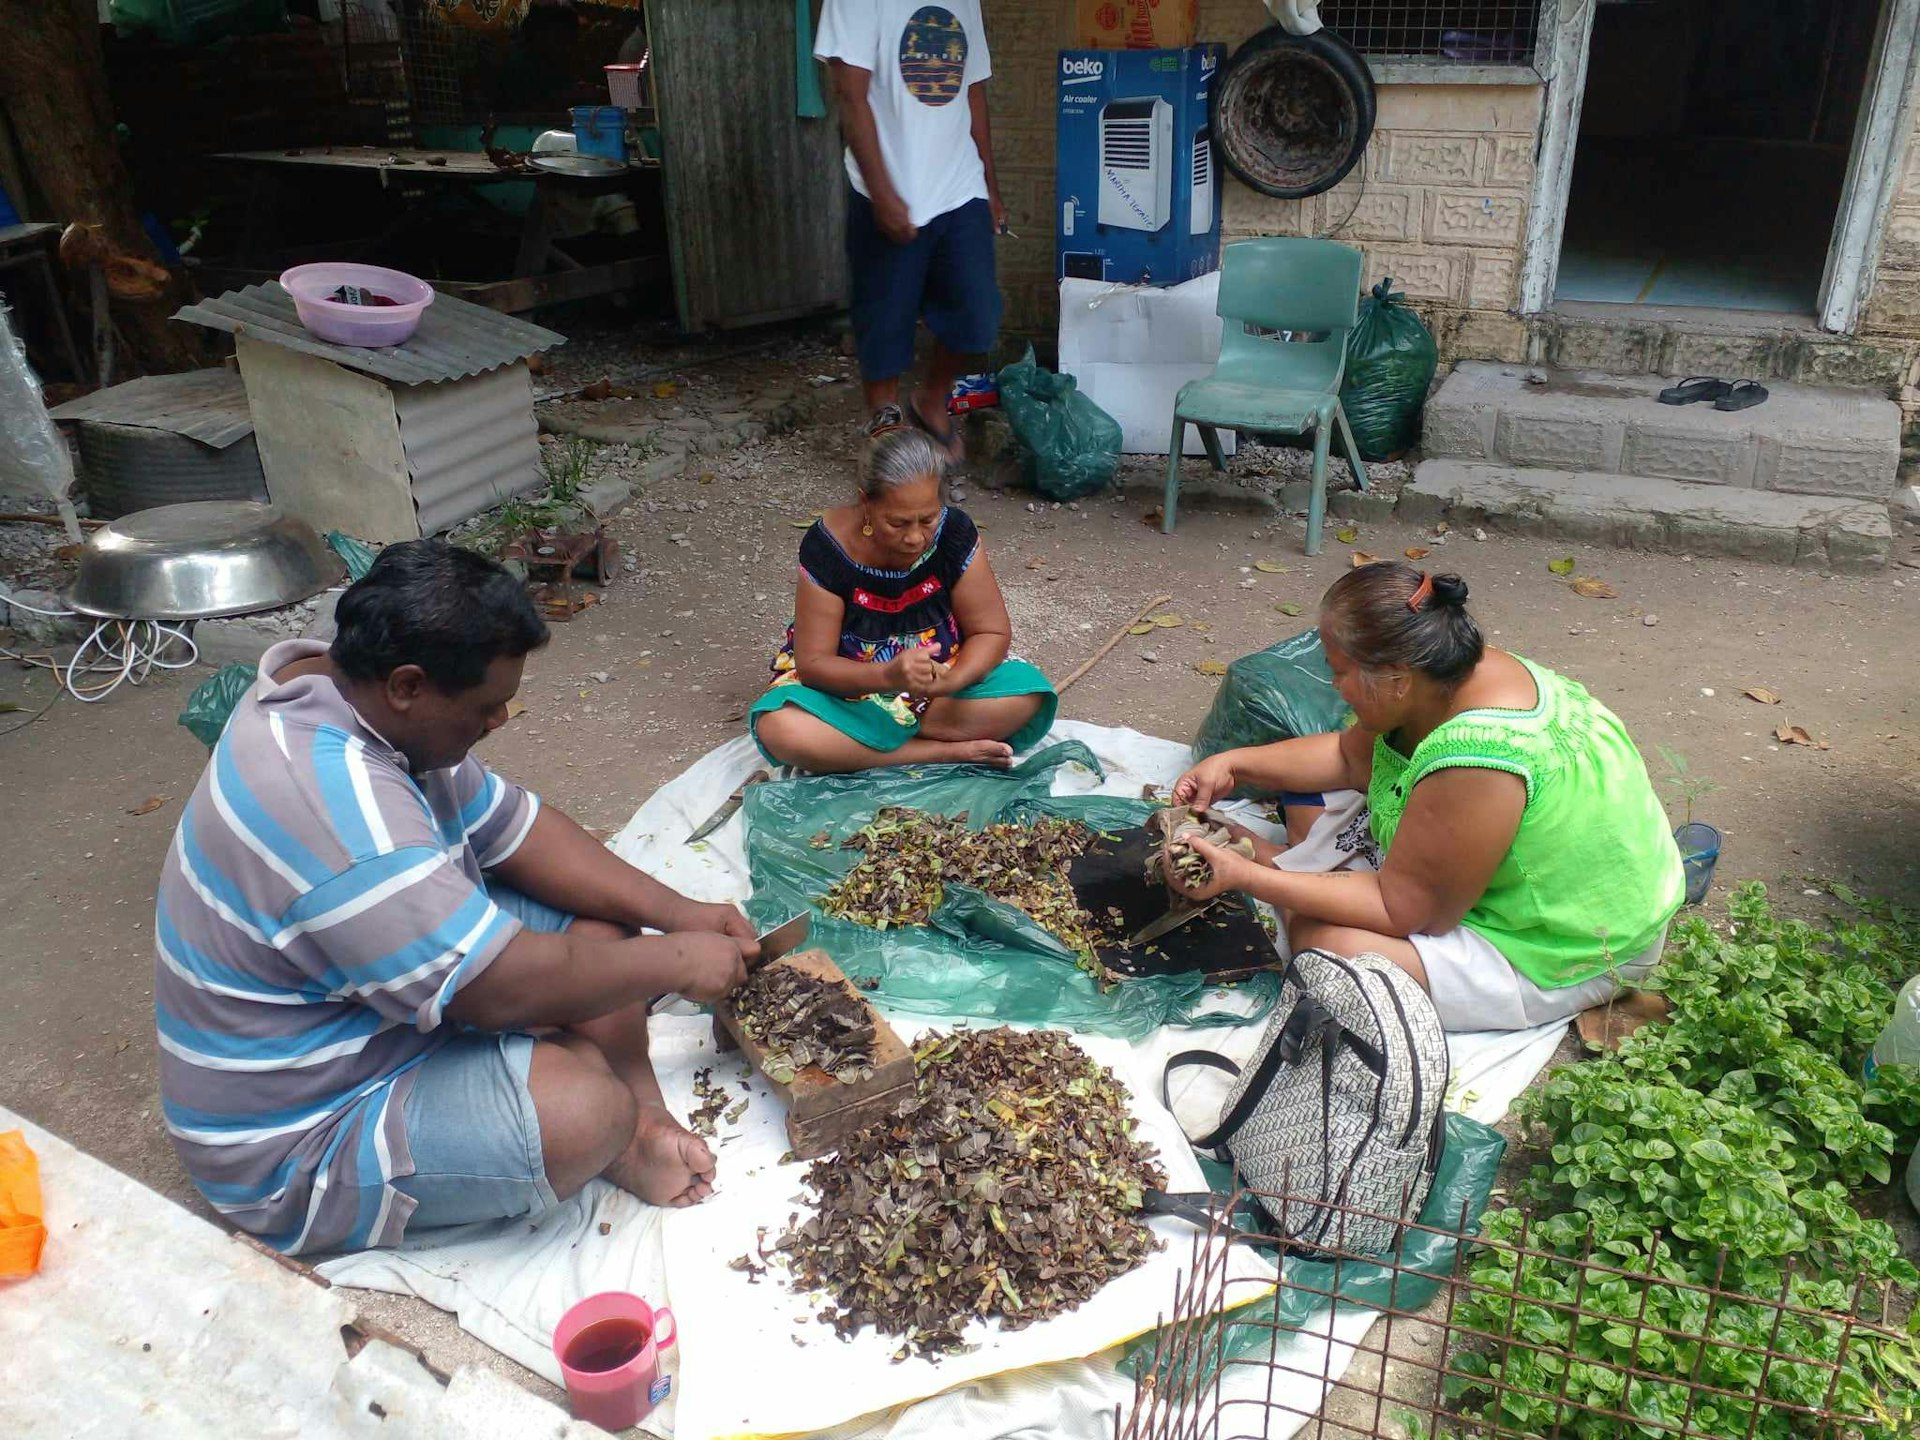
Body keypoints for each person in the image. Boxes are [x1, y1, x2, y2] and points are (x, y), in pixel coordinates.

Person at [154, 541, 758, 1256]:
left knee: (601, 919)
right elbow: (497, 990)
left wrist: (679, 915)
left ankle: (644, 1118)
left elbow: (519, 832)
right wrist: (679, 961)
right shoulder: (333, 806)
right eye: (487, 705)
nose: (500, 720)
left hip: (368, 1016)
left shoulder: (361, 704)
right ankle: (614, 1130)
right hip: (300, 1140)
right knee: (582, 1111)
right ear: (408, 685)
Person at [1167, 563, 1685, 1031]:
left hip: (1574, 950)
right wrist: (1232, 763)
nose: (1334, 684)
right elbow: (1349, 758)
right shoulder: (1460, 668)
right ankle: (1290, 868)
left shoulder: (1476, 759)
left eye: (1339, 670)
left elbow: (1404, 911)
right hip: (1498, 863)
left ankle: (1278, 866)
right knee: (1302, 782)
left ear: (1395, 679)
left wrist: (1250, 878)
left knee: (1323, 944)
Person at [749, 426, 1055, 772]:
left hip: (936, 690)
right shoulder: (828, 549)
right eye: (897, 523)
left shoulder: (954, 534)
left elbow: (991, 632)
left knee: (1029, 695)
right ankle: (943, 752)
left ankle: (864, 744)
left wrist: (952, 681)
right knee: (780, 729)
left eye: (928, 519)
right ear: (866, 501)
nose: (915, 537)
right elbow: (815, 664)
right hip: (848, 691)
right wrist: (889, 676)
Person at [815, 0, 1005, 455]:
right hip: (888, 183)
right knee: (885, 319)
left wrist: (990, 187)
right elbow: (851, 95)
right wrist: (882, 193)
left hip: (959, 188)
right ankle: (885, 425)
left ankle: (931, 400)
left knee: (978, 315)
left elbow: (972, 93)